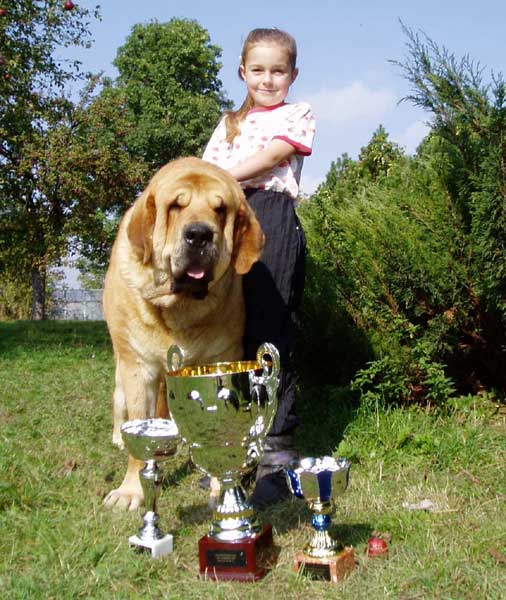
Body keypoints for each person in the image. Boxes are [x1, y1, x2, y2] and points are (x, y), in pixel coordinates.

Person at [202, 27, 316, 507]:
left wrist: (225, 177)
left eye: (278, 71)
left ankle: (276, 456)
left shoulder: (298, 114)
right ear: (242, 72)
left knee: (269, 333)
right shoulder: (227, 122)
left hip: (270, 215)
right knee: (228, 332)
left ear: (293, 74)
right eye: (259, 70)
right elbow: (206, 173)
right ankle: (231, 453)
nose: (268, 80)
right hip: (225, 221)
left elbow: (273, 156)